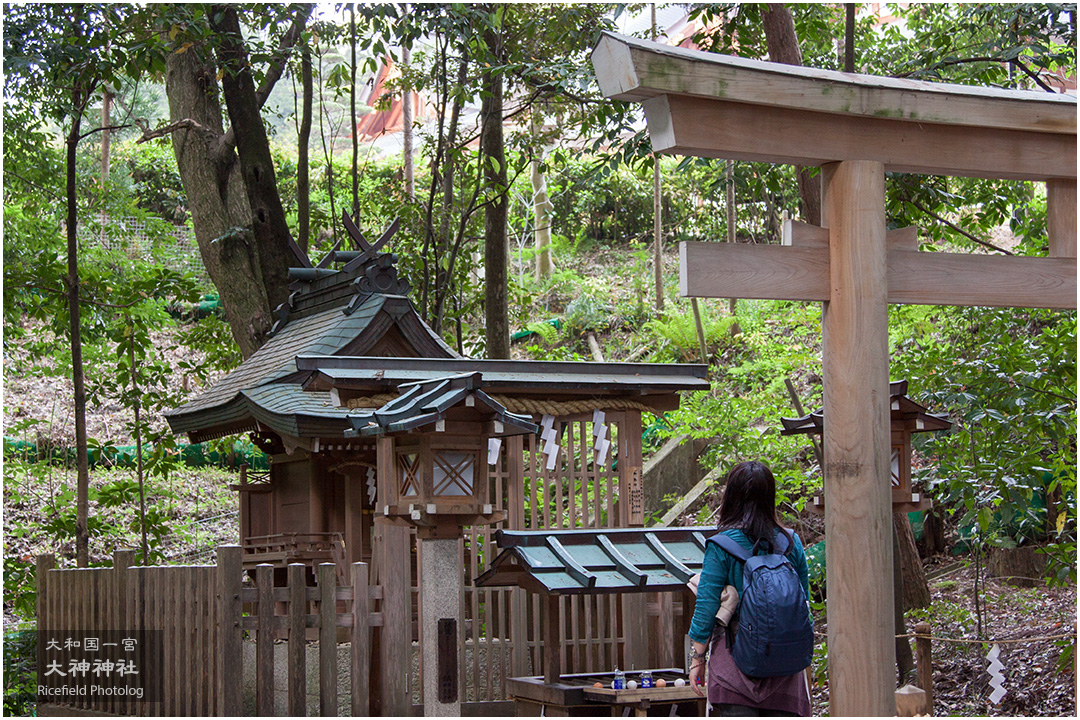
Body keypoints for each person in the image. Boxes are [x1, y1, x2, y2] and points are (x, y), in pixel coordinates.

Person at [687, 461, 812, 717]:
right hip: (785, 670)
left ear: (730, 497)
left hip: (735, 668)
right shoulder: (790, 542)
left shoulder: (721, 546)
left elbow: (707, 605)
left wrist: (697, 659)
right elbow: (803, 602)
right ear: (769, 497)